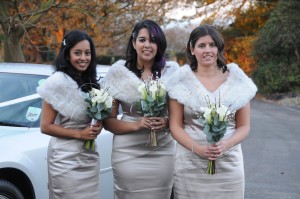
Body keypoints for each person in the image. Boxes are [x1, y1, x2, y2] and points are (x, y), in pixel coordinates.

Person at [166, 25, 258, 199]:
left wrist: (226, 145)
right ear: (192, 50)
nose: (207, 50)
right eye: (201, 46)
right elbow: (175, 126)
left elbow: (244, 126)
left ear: (219, 48)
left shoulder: (237, 80)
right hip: (190, 163)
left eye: (212, 45)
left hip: (228, 164)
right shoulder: (180, 82)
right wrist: (198, 149)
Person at [102, 19, 179, 199]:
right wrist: (138, 124)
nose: (147, 45)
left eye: (153, 40)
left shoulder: (172, 72)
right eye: (142, 40)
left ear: (159, 44)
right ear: (134, 42)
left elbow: (180, 118)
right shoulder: (118, 74)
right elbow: (109, 122)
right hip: (127, 153)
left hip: (162, 152)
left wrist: (166, 122)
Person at [37, 30, 102, 198]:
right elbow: (45, 126)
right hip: (65, 158)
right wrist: (80, 134)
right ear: (67, 55)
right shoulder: (57, 82)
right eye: (77, 53)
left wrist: (98, 124)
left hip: (89, 156)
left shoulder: (92, 82)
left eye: (87, 53)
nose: (83, 58)